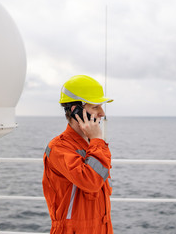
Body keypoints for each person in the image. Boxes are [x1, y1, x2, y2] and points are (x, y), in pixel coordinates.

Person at [42, 75, 114, 234]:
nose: (102, 113)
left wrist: (95, 141)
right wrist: (97, 139)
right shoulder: (59, 148)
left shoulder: (93, 144)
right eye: (96, 107)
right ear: (76, 111)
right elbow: (91, 182)